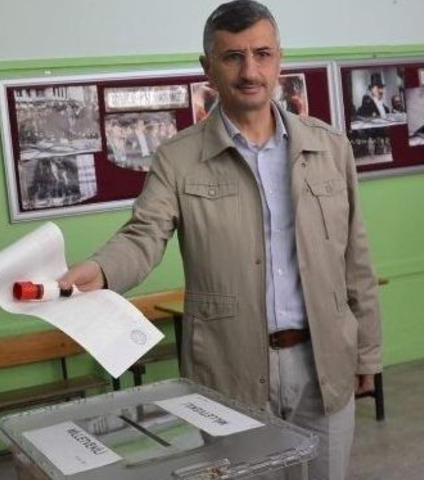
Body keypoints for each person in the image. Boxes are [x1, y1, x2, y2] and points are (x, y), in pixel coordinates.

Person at [59, 2, 381, 479]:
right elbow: (143, 235)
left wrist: (367, 353)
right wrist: (101, 271)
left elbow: (356, 256)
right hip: (230, 373)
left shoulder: (329, 147)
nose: (250, 71)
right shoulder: (178, 158)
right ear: (207, 67)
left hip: (324, 363)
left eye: (262, 54)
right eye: (232, 57)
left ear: (279, 59)